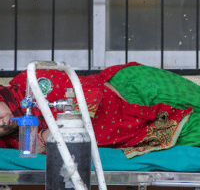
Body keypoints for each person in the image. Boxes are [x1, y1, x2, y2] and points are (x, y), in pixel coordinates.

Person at [0, 61, 199, 158]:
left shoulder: (32, 81)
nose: (1, 123)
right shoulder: (14, 142)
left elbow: (87, 89)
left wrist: (59, 129)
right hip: (142, 131)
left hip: (130, 88)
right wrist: (44, 137)